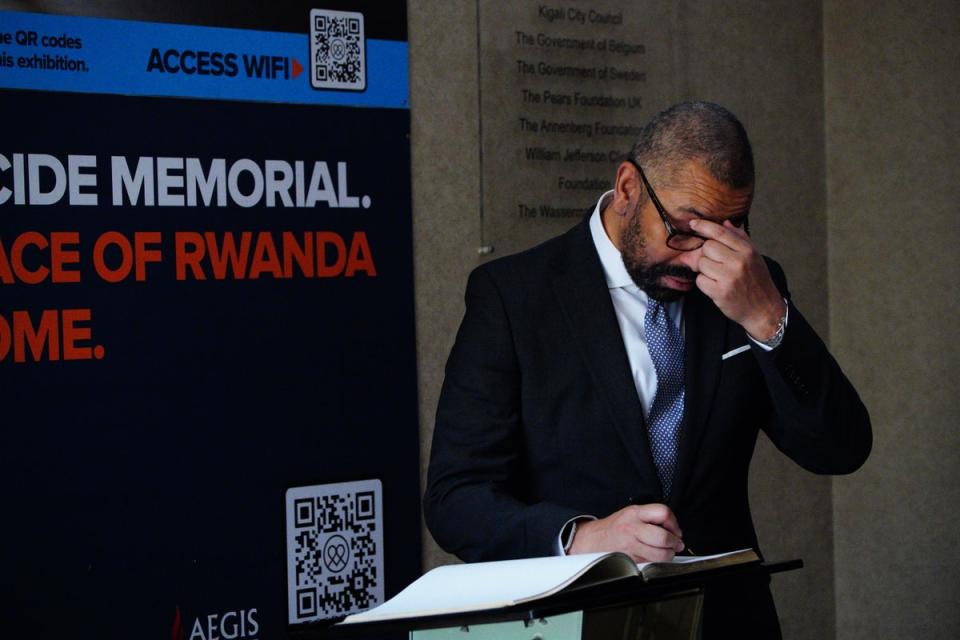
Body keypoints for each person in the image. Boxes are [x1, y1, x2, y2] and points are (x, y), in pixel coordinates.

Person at [423, 101, 871, 636]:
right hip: (576, 624)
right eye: (684, 229)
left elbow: (839, 448)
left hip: (727, 621)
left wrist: (768, 317)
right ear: (629, 188)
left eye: (728, 228)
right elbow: (456, 498)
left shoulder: (749, 284)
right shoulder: (513, 297)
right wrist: (579, 539)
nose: (697, 257)